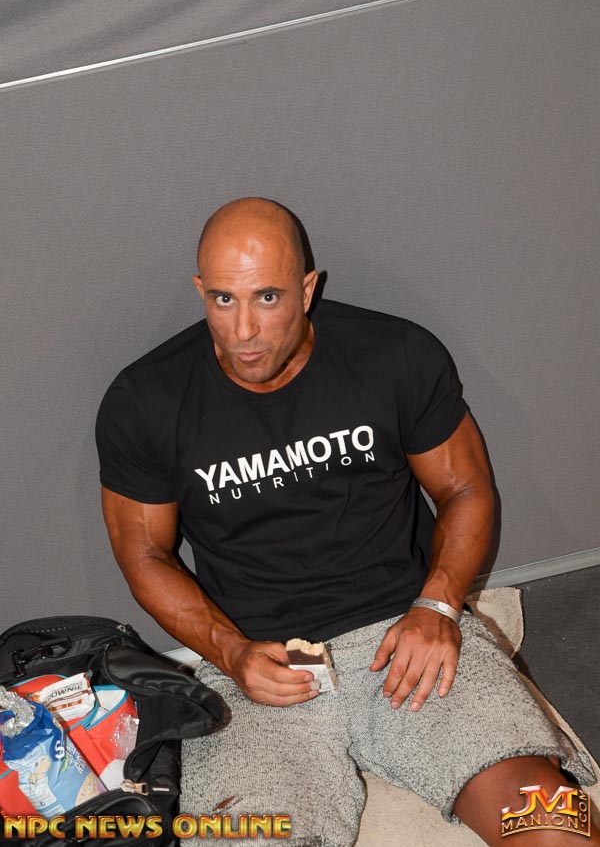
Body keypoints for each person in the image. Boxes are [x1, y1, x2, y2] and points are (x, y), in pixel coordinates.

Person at [96, 197, 597, 847]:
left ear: (307, 289)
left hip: (403, 631)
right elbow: (144, 553)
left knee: (553, 822)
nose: (244, 330)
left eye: (268, 297)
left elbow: (466, 487)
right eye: (223, 300)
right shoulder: (144, 401)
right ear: (201, 291)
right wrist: (230, 651)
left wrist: (439, 607)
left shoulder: (395, 354)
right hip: (258, 661)